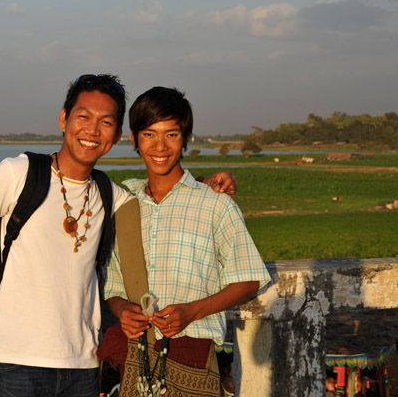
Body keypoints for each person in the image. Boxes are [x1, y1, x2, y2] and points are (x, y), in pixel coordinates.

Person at [0, 75, 236, 396]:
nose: (92, 130)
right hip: (13, 364)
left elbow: (157, 195)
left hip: (83, 367)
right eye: (84, 117)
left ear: (117, 135)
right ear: (64, 119)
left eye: (106, 122)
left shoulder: (110, 194)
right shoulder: (19, 173)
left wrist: (202, 183)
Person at [102, 86, 271, 395]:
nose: (160, 146)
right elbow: (113, 284)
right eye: (149, 134)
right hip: (134, 358)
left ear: (186, 139)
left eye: (172, 134)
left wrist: (192, 312)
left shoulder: (215, 205)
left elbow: (248, 281)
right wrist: (124, 311)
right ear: (134, 138)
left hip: (194, 358)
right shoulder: (124, 204)